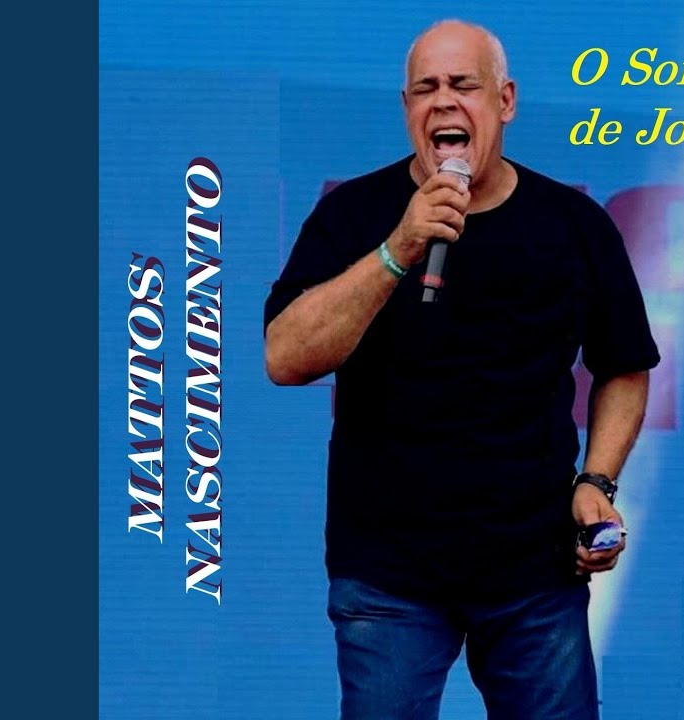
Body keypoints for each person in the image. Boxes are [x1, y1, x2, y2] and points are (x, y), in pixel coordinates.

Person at [263, 19, 659, 720]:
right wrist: (399, 248)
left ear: (505, 101)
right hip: (388, 576)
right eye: (425, 88)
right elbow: (285, 358)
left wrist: (596, 481)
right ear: (407, 109)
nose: (443, 101)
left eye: (462, 85)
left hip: (536, 572)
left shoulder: (573, 224)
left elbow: (625, 365)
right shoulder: (353, 215)